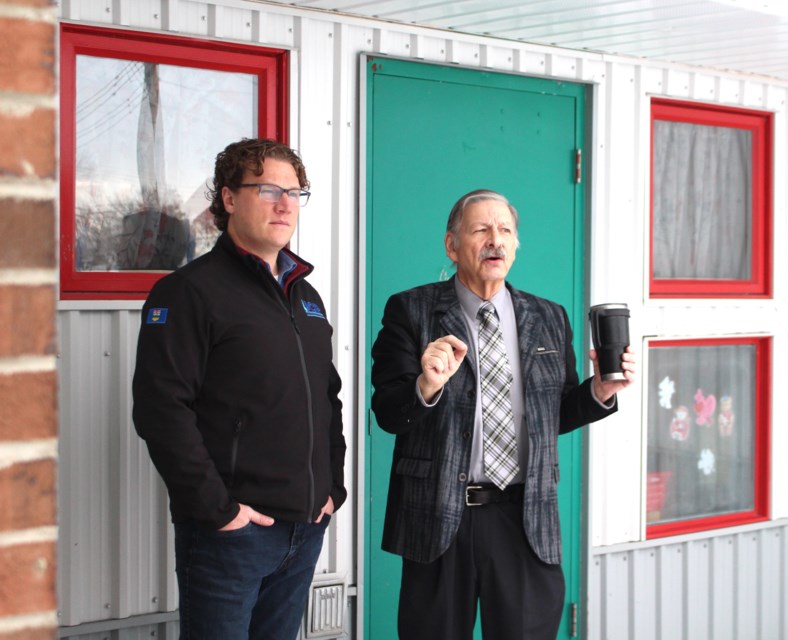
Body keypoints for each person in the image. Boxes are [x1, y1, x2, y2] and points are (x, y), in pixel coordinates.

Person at [370, 188, 636, 639]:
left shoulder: (549, 315)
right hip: (439, 516)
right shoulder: (411, 310)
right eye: (481, 230)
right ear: (452, 246)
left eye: (505, 230)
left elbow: (554, 414)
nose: (495, 240)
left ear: (516, 244)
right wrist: (426, 385)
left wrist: (600, 390)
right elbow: (389, 414)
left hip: (525, 517)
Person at [131, 138, 346, 639]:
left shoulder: (305, 295)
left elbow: (326, 397)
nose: (284, 204)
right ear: (228, 198)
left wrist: (331, 488)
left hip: (305, 526)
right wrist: (219, 511)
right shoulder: (187, 292)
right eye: (268, 189)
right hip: (233, 535)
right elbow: (161, 411)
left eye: (295, 193)